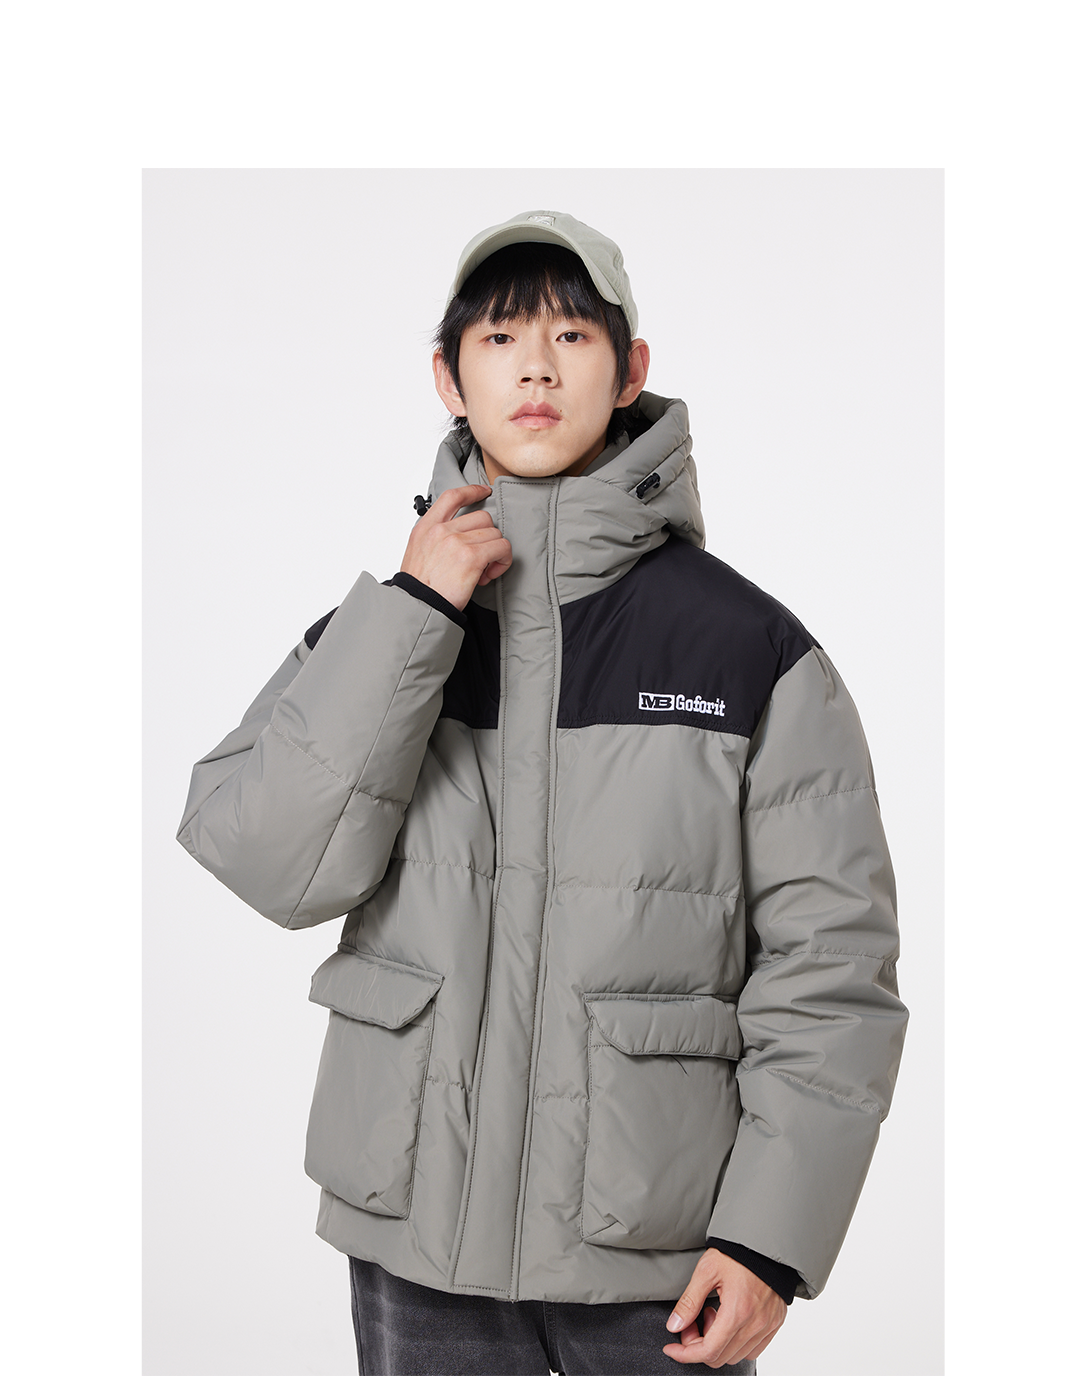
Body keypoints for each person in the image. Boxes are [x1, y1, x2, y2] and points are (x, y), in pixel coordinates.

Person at [177, 210, 908, 1377]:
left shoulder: (750, 653)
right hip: (417, 1230)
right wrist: (419, 610)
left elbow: (831, 969)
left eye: (572, 335)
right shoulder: (379, 635)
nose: (535, 367)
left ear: (631, 370)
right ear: (447, 377)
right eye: (501, 336)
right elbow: (270, 863)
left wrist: (771, 1238)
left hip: (662, 1249)